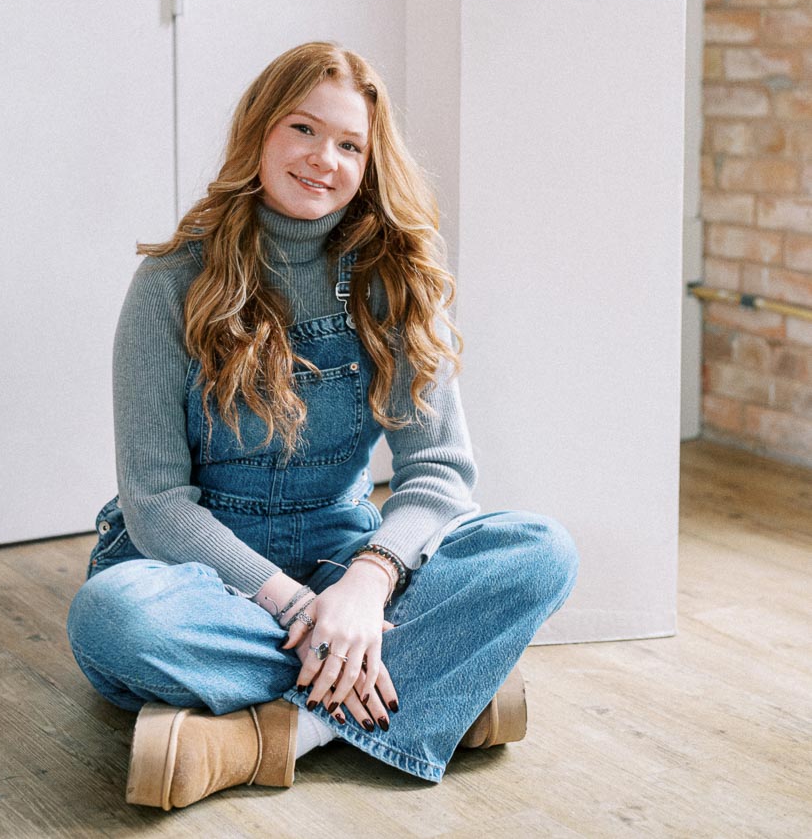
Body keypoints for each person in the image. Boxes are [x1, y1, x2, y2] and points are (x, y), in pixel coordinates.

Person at [66, 41, 579, 810]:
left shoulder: (394, 276)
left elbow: (438, 470)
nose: (323, 159)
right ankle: (425, 682)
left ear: (370, 166)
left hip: (343, 554)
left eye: (349, 145)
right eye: (303, 129)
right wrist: (303, 611)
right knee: (114, 620)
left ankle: (274, 736)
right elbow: (157, 504)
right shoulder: (171, 282)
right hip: (199, 571)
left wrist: (366, 587)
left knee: (540, 552)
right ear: (260, 132)